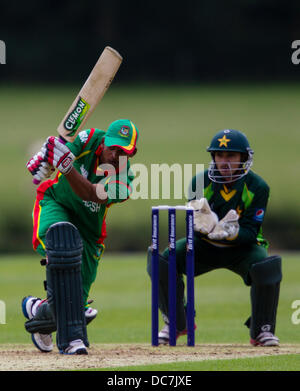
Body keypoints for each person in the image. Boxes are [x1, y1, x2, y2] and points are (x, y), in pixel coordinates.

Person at [147, 129, 282, 346]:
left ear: (243, 158)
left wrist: (233, 233)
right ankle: (177, 322)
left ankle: (262, 330)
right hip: (204, 246)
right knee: (163, 259)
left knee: (267, 267)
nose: (224, 162)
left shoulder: (258, 187)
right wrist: (203, 226)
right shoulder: (199, 182)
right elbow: (190, 226)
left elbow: (251, 231)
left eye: (231, 156)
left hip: (242, 249)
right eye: (219, 155)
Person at [23, 119, 139, 354]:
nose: (115, 155)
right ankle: (72, 342)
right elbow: (62, 148)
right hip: (56, 202)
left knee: (73, 303)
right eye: (113, 147)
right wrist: (48, 152)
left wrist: (66, 166)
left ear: (132, 154)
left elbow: (91, 193)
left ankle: (37, 310)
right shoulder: (89, 138)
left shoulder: (125, 181)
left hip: (89, 232)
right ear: (105, 140)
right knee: (60, 245)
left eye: (123, 152)